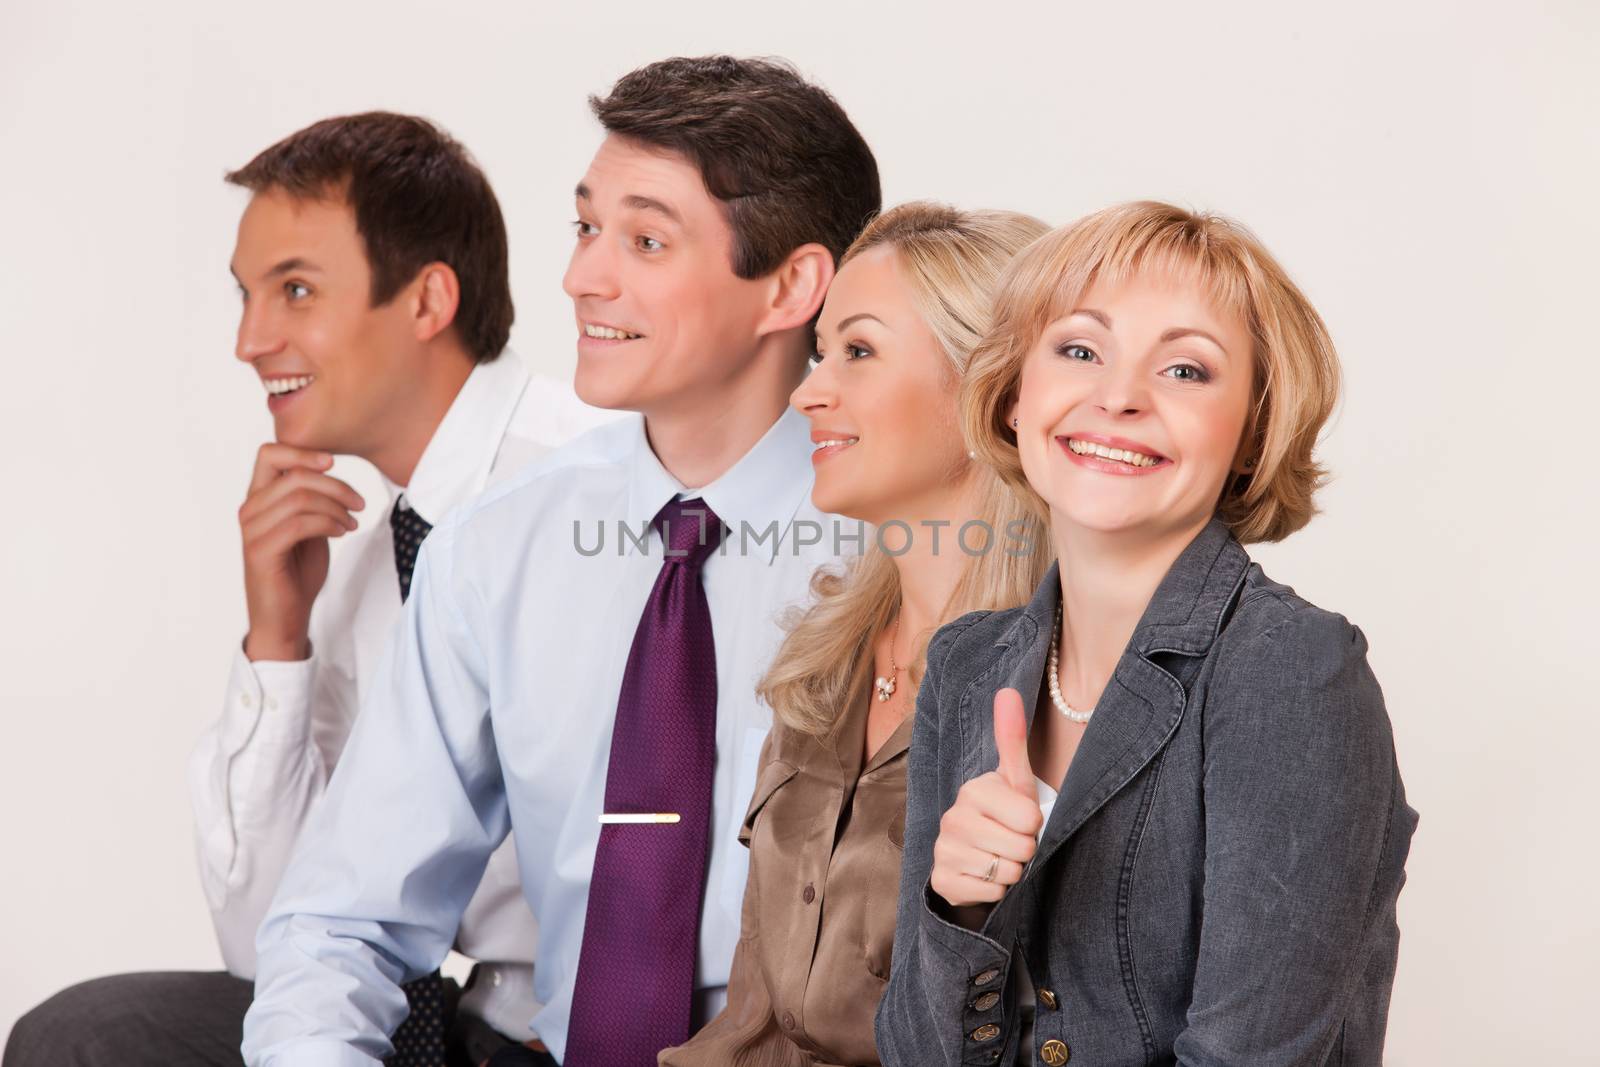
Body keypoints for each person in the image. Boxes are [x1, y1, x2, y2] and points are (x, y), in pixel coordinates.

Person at [241, 56, 882, 1067]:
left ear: (792, 286)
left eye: (645, 239)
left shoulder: (906, 539)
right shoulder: (498, 543)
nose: (583, 276)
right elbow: (341, 919)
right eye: (587, 228)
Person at [3, 112, 614, 1067]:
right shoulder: (370, 561)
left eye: (295, 290)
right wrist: (277, 638)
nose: (251, 340)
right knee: (89, 1038)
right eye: (246, 296)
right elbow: (272, 946)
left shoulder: (595, 488)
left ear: (427, 301)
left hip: (596, 1037)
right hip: (469, 1028)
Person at [876, 202, 1418, 1067]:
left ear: (1252, 431)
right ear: (1016, 396)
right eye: (1080, 350)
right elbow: (913, 1053)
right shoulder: (968, 665)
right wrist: (959, 908)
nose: (1119, 396)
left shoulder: (1291, 671)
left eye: (1186, 370)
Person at [659, 202, 1051, 1067]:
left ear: (991, 387)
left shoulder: (1061, 686)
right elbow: (749, 1019)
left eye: (859, 352)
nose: (807, 392)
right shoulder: (825, 657)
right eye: (820, 351)